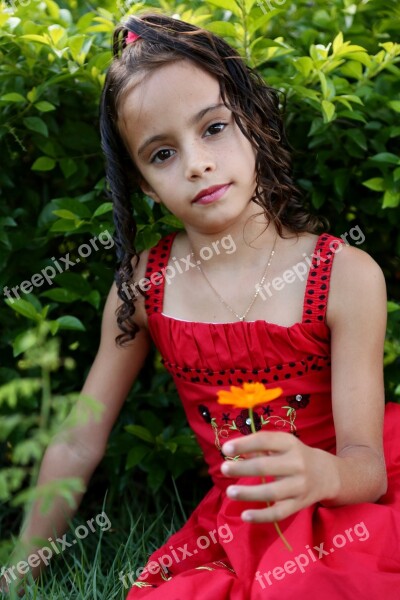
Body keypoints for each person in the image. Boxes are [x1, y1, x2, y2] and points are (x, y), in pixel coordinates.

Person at [3, 11, 400, 599]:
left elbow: (367, 469)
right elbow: (77, 440)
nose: (196, 163)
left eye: (213, 128)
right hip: (245, 520)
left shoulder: (344, 275)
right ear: (141, 181)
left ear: (254, 118)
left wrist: (323, 473)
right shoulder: (145, 288)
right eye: (161, 154)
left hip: (346, 495)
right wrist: (19, 571)